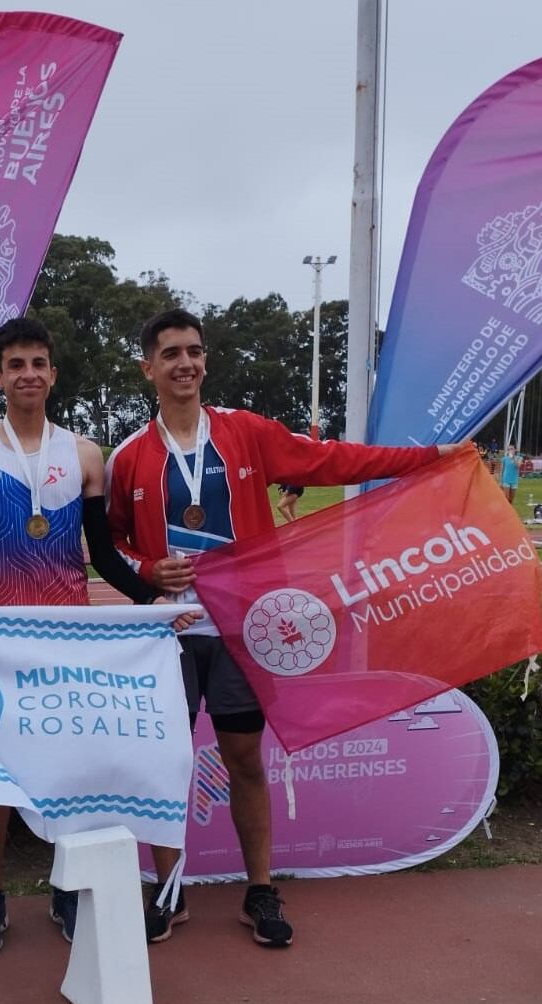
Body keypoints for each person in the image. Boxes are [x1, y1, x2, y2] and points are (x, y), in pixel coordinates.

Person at [106, 308, 461, 948]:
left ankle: (260, 889)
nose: (185, 363)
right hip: (167, 635)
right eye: (171, 353)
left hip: (244, 631)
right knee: (163, 764)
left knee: (245, 757)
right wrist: (145, 567)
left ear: (204, 360)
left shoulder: (246, 433)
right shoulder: (130, 456)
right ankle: (168, 890)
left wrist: (429, 458)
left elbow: (335, 460)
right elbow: (111, 543)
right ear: (148, 367)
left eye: (194, 351)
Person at [0, 316, 196, 956]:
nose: (28, 375)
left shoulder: (85, 454)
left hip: (70, 634)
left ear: (53, 374)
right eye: (16, 365)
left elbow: (105, 560)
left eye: (39, 364)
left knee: (68, 766)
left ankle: (65, 889)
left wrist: (154, 605)